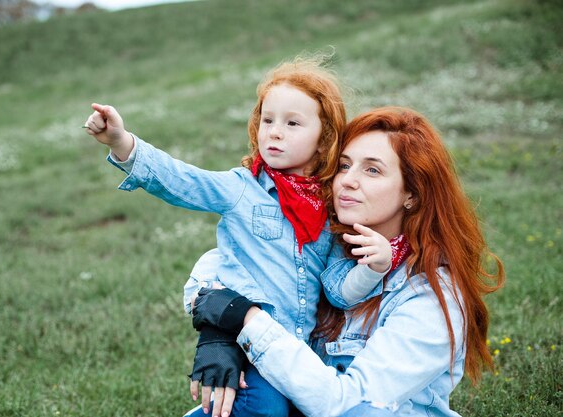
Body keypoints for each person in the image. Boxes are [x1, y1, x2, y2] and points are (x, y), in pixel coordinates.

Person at [83, 56, 393, 417]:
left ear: (324, 140)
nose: (274, 131)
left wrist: (373, 268)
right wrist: (122, 142)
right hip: (245, 344)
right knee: (263, 409)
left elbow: (339, 291)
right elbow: (182, 180)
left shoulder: (330, 210)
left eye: (292, 123)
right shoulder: (243, 188)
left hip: (296, 353)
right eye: (267, 120)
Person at [191, 106, 505, 417]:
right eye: (343, 165)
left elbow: (346, 405)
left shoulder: (431, 295)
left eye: (372, 170)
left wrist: (248, 319)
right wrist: (217, 335)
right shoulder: (328, 249)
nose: (348, 181)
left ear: (413, 194)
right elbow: (224, 259)